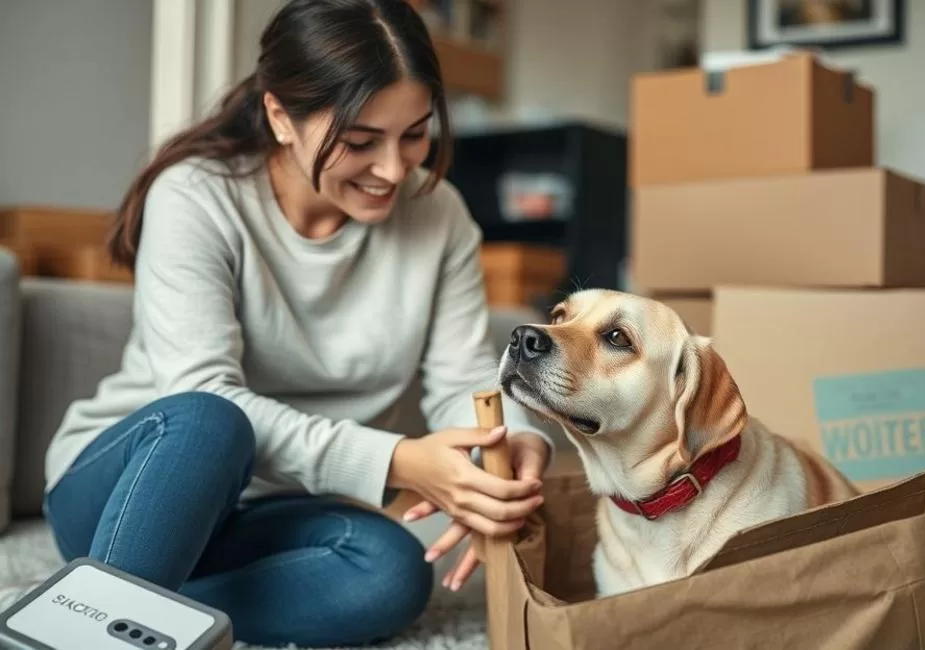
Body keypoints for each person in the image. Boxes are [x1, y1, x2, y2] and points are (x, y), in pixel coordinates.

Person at [39, 0, 555, 647]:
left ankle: (94, 602)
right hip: (134, 489)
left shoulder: (439, 213)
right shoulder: (196, 195)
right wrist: (398, 460)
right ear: (281, 116)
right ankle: (93, 625)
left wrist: (508, 444)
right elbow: (202, 393)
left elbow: (461, 377)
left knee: (390, 574)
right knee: (208, 419)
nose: (395, 169)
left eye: (415, 133)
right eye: (361, 141)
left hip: (265, 510)